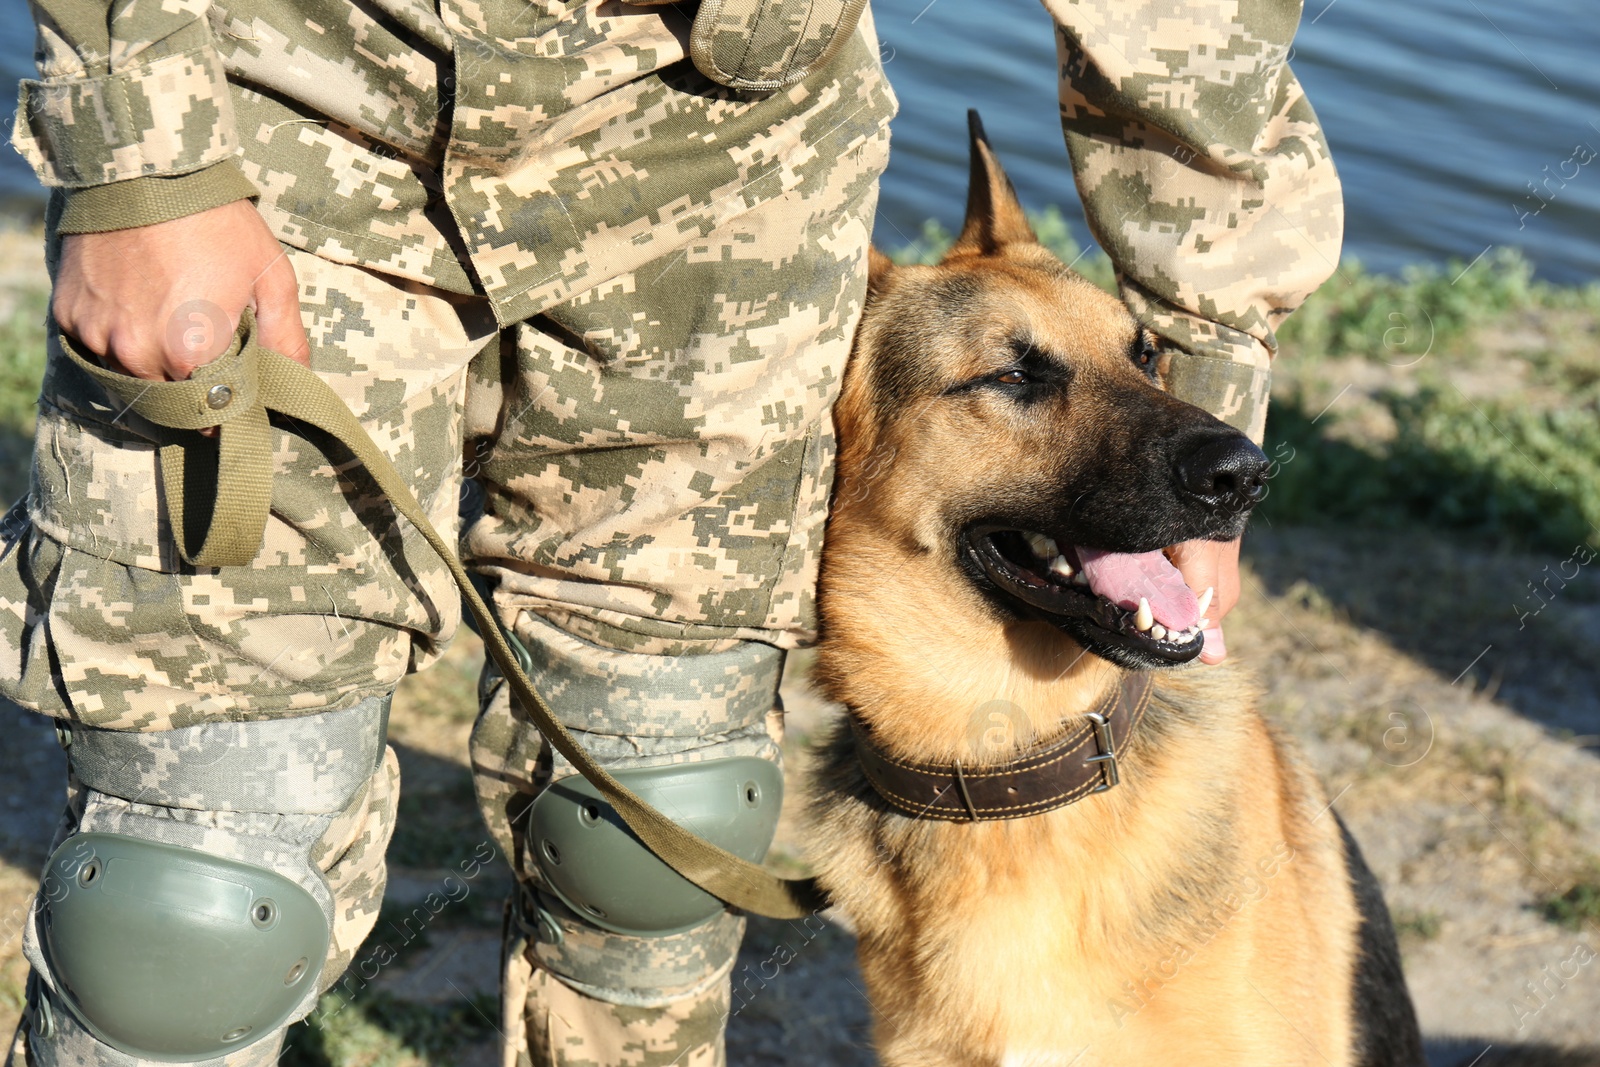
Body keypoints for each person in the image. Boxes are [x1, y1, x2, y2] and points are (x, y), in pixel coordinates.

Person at [0, 0, 1341, 1062]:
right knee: (181, 918)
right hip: (297, 98)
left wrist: (1205, 377)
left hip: (725, 155)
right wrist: (144, 153)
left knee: (651, 835)